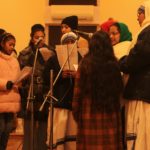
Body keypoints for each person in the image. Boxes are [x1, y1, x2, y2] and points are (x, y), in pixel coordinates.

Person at [72, 30, 124, 150]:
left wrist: (79, 116)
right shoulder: (114, 65)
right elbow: (119, 95)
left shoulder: (84, 64)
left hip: (88, 119)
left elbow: (77, 96)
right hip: (111, 119)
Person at [18, 24, 60, 150]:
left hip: (44, 93)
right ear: (32, 38)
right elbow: (19, 74)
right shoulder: (25, 53)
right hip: (29, 93)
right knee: (29, 128)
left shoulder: (51, 52)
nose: (40, 40)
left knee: (43, 128)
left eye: (42, 37)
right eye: (37, 37)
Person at [119, 1, 150, 150]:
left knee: (140, 140)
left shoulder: (148, 32)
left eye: (140, 12)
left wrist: (120, 61)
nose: (137, 17)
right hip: (143, 93)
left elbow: (135, 60)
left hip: (142, 94)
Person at [0, 32, 21, 150]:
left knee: (8, 129)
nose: (12, 47)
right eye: (10, 44)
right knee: (1, 127)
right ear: (2, 44)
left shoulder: (14, 60)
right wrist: (5, 84)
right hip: (1, 100)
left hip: (11, 100)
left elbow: (17, 77)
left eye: (14, 45)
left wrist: (21, 81)